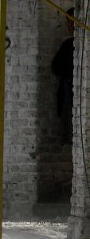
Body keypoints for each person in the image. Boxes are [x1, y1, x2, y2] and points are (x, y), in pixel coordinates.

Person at [51, 8, 75, 144]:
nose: (70, 27)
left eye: (73, 23)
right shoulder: (68, 45)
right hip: (68, 94)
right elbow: (55, 67)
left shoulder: (72, 45)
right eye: (68, 23)